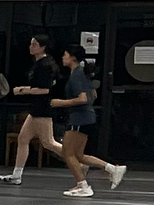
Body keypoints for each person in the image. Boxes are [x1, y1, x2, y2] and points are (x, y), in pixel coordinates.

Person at [51, 42, 126, 197]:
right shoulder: (81, 73)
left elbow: (83, 98)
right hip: (86, 117)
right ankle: (112, 169)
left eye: (65, 54)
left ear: (72, 57)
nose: (63, 57)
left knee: (68, 153)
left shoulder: (77, 74)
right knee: (78, 155)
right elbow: (93, 95)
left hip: (79, 118)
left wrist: (61, 102)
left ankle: (83, 185)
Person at [0, 34, 62, 183]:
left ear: (42, 47)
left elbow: (45, 90)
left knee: (48, 142)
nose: (31, 47)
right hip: (35, 109)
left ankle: (78, 161)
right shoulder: (37, 63)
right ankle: (16, 175)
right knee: (23, 138)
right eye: (31, 44)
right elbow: (36, 87)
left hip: (43, 109)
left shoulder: (46, 65)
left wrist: (23, 90)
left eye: (34, 44)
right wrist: (24, 88)